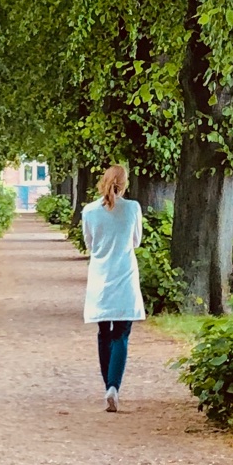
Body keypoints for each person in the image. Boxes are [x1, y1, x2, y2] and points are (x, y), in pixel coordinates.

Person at [80, 163, 144, 411]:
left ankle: (108, 385)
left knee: (103, 333)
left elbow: (90, 243)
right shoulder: (132, 209)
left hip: (100, 278)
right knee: (121, 333)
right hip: (124, 276)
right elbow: (136, 241)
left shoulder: (89, 211)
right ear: (125, 183)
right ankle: (114, 387)